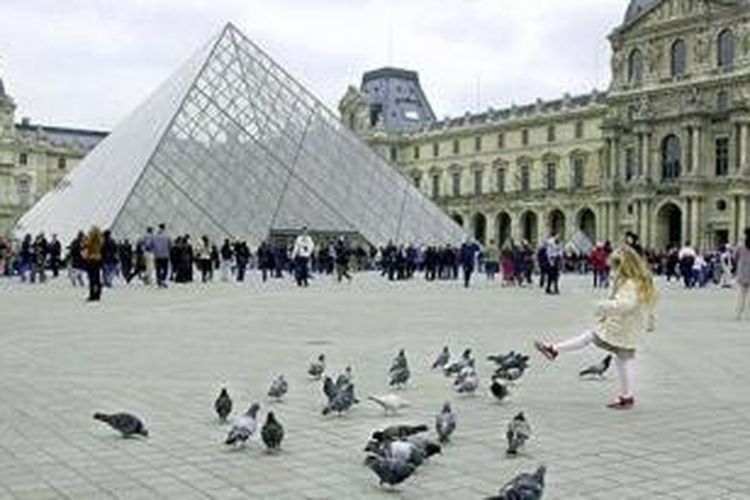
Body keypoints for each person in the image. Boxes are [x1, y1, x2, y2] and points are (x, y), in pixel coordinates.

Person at [534, 246, 657, 410]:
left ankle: (554, 349)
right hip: (629, 327)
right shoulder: (640, 280)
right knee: (621, 359)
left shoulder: (630, 283)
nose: (613, 271)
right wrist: (649, 321)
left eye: (615, 267)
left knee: (592, 337)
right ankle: (627, 396)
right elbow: (646, 306)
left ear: (624, 266)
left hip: (622, 327)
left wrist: (603, 306)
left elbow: (626, 304)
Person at [81, 226, 104, 302]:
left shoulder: (90, 241)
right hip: (97, 260)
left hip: (91, 260)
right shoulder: (100, 240)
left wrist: (85, 243)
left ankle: (92, 295)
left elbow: (85, 248)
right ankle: (97, 294)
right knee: (96, 278)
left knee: (92, 279)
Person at [735, 229, 750, 320]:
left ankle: (739, 314)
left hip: (742, 272)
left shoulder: (740, 246)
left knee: (741, 295)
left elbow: (735, 257)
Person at [152, 224, 171, 288]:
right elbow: (170, 245)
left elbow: (151, 245)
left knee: (158, 269)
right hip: (165, 255)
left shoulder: (154, 236)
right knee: (165, 269)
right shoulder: (167, 236)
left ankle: (159, 281)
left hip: (157, 255)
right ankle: (163, 280)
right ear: (164, 228)